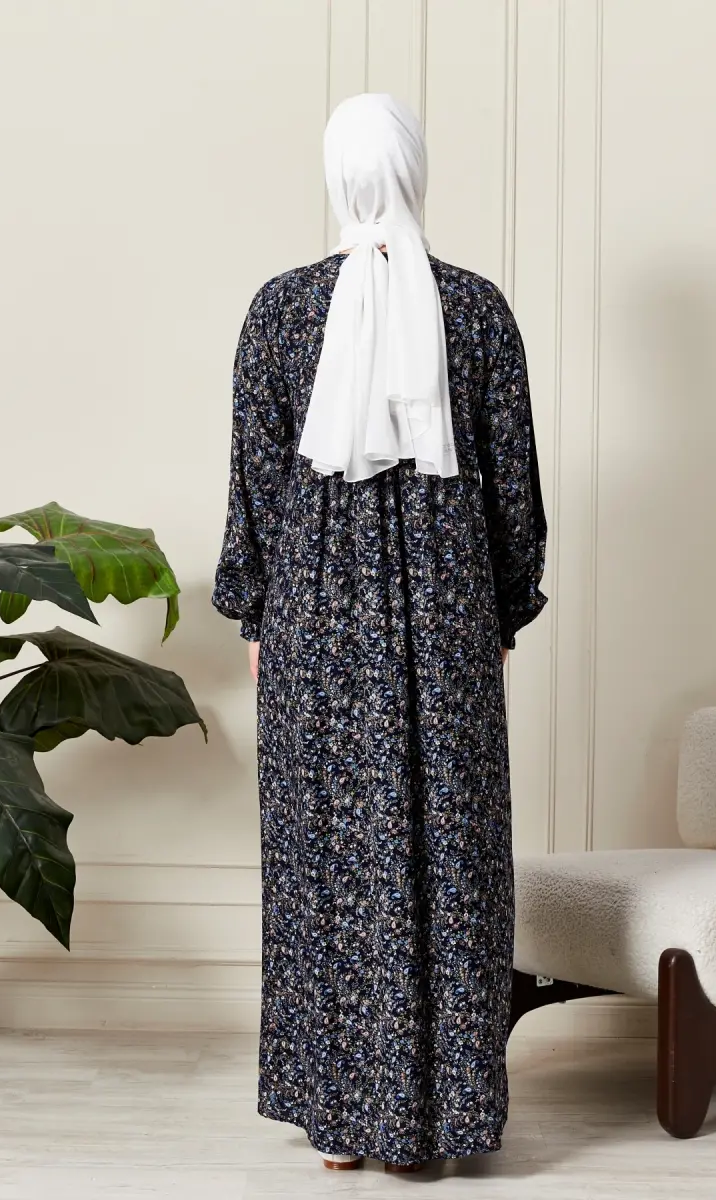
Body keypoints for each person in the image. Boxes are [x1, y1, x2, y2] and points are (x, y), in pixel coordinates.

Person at [212, 91, 548, 1173]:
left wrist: (257, 610)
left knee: (328, 851)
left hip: (312, 616)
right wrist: (504, 607)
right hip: (448, 615)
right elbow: (514, 492)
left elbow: (256, 484)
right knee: (450, 846)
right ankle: (443, 1118)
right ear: (416, 170)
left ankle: (343, 1121)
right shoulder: (477, 309)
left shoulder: (279, 310)